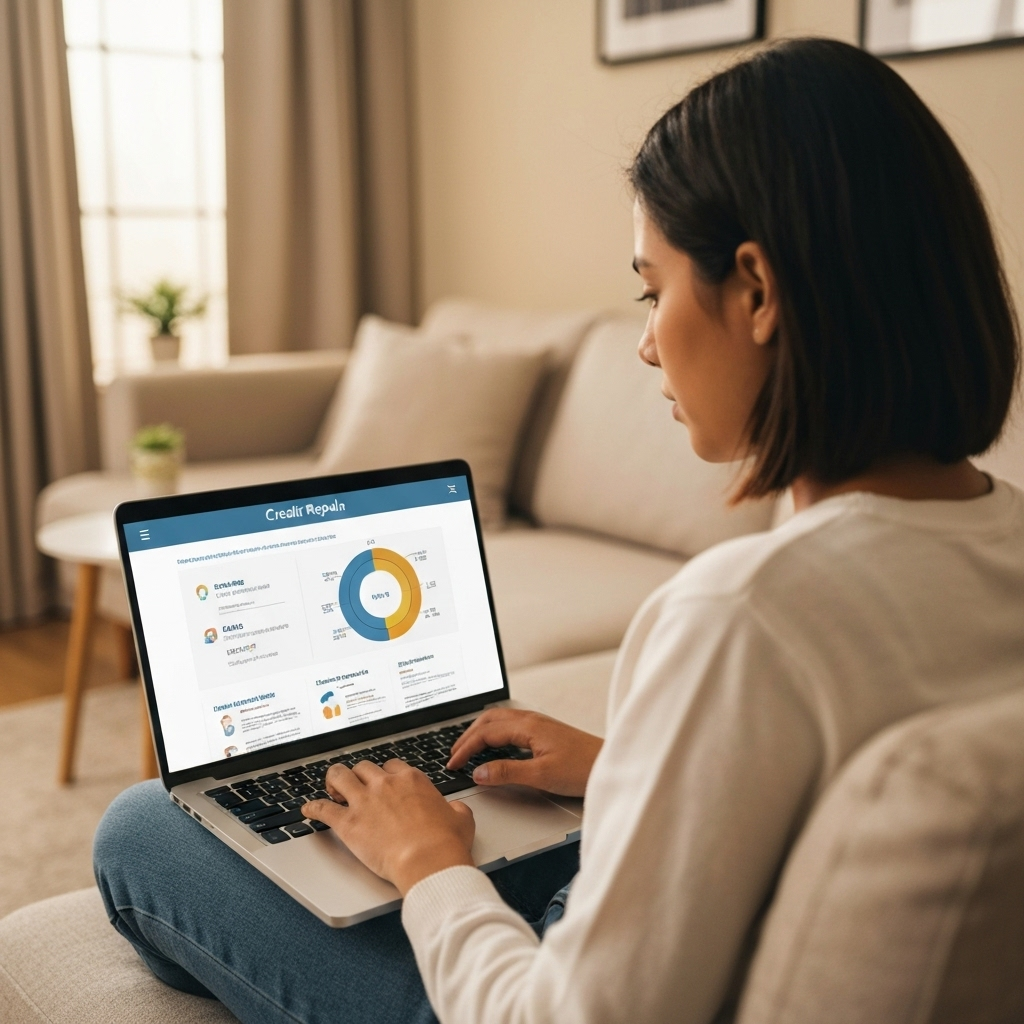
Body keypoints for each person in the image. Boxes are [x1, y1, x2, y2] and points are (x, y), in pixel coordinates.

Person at [94, 38, 1023, 1024]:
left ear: (755, 292)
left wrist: (428, 864)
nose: (643, 337)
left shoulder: (742, 616)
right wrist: (622, 766)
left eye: (652, 288)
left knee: (144, 827)